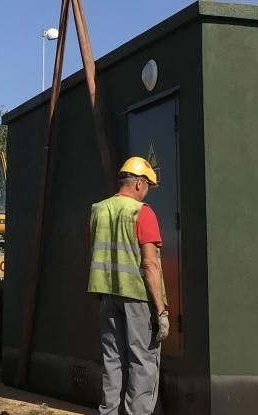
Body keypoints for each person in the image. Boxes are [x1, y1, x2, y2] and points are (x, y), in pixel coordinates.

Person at [88, 156, 168, 415]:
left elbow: (94, 251)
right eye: (147, 187)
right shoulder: (141, 212)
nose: (147, 194)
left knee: (113, 361)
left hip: (107, 295)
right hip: (137, 297)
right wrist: (161, 310)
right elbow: (150, 265)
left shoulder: (98, 210)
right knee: (143, 362)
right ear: (138, 183)